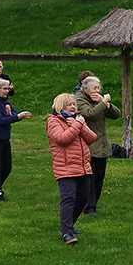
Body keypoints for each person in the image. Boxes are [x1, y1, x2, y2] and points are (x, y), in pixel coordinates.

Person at [46, 92, 97, 244]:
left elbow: (92, 138)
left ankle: (68, 225)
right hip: (65, 167)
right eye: (69, 104)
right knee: (68, 199)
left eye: (74, 104)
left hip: (83, 167)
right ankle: (66, 232)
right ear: (60, 106)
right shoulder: (53, 121)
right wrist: (77, 125)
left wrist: (78, 124)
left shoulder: (77, 119)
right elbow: (62, 139)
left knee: (83, 198)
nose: (73, 107)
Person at [75, 76, 120, 217]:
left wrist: (106, 104)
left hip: (102, 144)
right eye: (94, 88)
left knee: (99, 177)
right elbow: (90, 114)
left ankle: (92, 205)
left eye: (98, 88)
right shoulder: (79, 100)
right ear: (86, 88)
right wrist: (103, 102)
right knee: (90, 178)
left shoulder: (98, 99)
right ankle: (89, 208)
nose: (97, 90)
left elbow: (116, 115)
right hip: (88, 145)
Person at [0, 77, 31, 201]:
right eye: (4, 88)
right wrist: (16, 117)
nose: (7, 91)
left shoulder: (6, 103)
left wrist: (13, 115)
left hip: (5, 139)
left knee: (7, 166)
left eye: (8, 88)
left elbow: (15, 114)